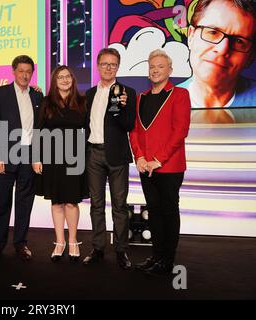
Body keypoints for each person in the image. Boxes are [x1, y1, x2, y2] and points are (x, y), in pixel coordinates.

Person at [130, 49, 191, 275]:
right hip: (146, 166)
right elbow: (134, 132)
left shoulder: (180, 95)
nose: (155, 70)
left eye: (160, 66)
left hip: (169, 166)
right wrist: (140, 157)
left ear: (170, 70)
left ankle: (168, 260)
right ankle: (156, 256)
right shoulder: (140, 98)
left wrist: (159, 159)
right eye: (152, 66)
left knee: (168, 211)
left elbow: (180, 131)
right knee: (154, 212)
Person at [0, 55, 44, 261]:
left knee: (24, 202)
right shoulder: (0, 94)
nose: (25, 75)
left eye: (28, 71)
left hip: (28, 156)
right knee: (2, 202)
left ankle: (20, 243)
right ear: (13, 71)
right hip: (5, 156)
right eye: (21, 71)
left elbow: (38, 129)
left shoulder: (37, 96)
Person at [82, 48, 137, 270]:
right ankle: (98, 248)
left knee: (119, 205)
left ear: (118, 67)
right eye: (105, 63)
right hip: (93, 153)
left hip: (116, 155)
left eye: (113, 64)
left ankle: (121, 250)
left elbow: (128, 125)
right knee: (95, 204)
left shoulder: (128, 92)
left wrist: (120, 108)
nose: (108, 67)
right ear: (97, 66)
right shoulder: (89, 94)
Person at [33, 66, 88, 262]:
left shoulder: (82, 102)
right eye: (60, 77)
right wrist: (36, 157)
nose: (64, 80)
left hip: (75, 158)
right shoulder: (46, 103)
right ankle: (59, 242)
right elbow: (38, 131)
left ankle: (73, 241)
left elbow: (89, 131)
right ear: (54, 82)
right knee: (57, 202)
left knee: (72, 202)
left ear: (72, 80)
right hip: (52, 158)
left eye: (67, 77)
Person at [178, 0, 256, 123]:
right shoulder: (158, 106)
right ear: (191, 36)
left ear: (250, 58)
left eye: (239, 41)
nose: (222, 49)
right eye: (213, 32)